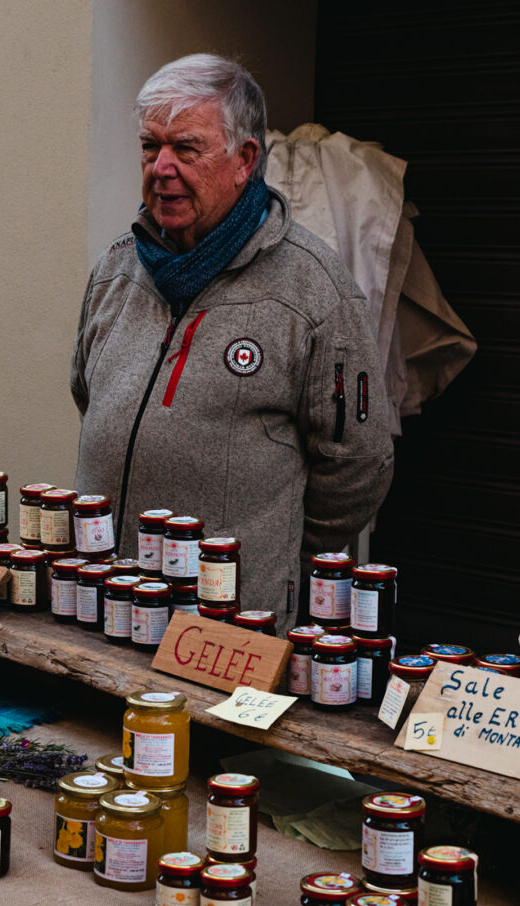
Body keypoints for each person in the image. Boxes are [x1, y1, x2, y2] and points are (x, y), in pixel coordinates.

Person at [71, 54, 394, 629]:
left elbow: (358, 463)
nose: (161, 167)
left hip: (230, 625)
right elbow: (88, 396)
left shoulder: (314, 289)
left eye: (186, 149)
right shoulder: (116, 270)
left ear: (244, 159)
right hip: (106, 605)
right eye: (151, 146)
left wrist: (277, 564)